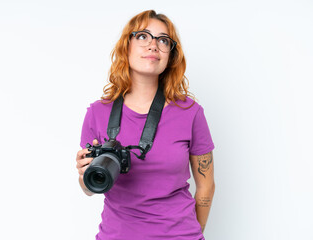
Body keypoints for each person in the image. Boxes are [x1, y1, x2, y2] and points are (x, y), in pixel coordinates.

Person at [76, 10, 215, 240]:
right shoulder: (97, 113)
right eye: (143, 36)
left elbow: (206, 187)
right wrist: (84, 176)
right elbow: (90, 189)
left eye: (163, 40)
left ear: (171, 55)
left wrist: (192, 234)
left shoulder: (190, 112)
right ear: (126, 46)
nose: (153, 45)